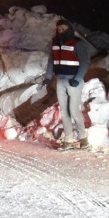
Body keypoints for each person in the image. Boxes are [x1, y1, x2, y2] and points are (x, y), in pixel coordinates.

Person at [45, 17, 94, 149]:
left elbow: (84, 63)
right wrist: (48, 76)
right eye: (59, 29)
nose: (61, 31)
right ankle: (68, 140)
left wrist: (77, 79)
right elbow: (51, 61)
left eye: (64, 29)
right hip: (60, 80)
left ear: (70, 29)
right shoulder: (55, 43)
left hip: (73, 81)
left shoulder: (77, 44)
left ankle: (83, 137)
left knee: (73, 110)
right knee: (64, 112)